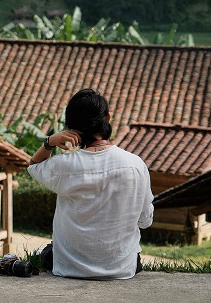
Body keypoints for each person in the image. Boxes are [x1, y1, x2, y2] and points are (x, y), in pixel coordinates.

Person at [27, 88, 154, 279]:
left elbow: (34, 165)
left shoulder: (64, 166)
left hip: (69, 267)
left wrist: (50, 142)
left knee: (46, 251)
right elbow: (145, 221)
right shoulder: (136, 165)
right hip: (123, 267)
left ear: (70, 128)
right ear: (108, 118)